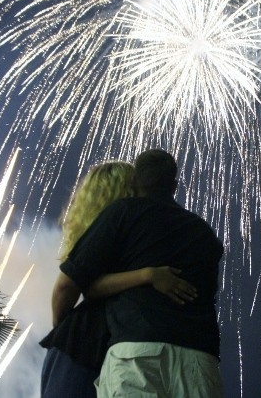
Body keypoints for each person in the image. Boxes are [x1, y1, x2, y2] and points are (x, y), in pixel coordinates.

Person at [52, 149, 224, 397]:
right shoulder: (205, 234)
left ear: (134, 181)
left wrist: (62, 328)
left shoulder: (123, 212)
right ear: (174, 185)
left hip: (137, 353)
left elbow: (68, 286)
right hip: (200, 362)